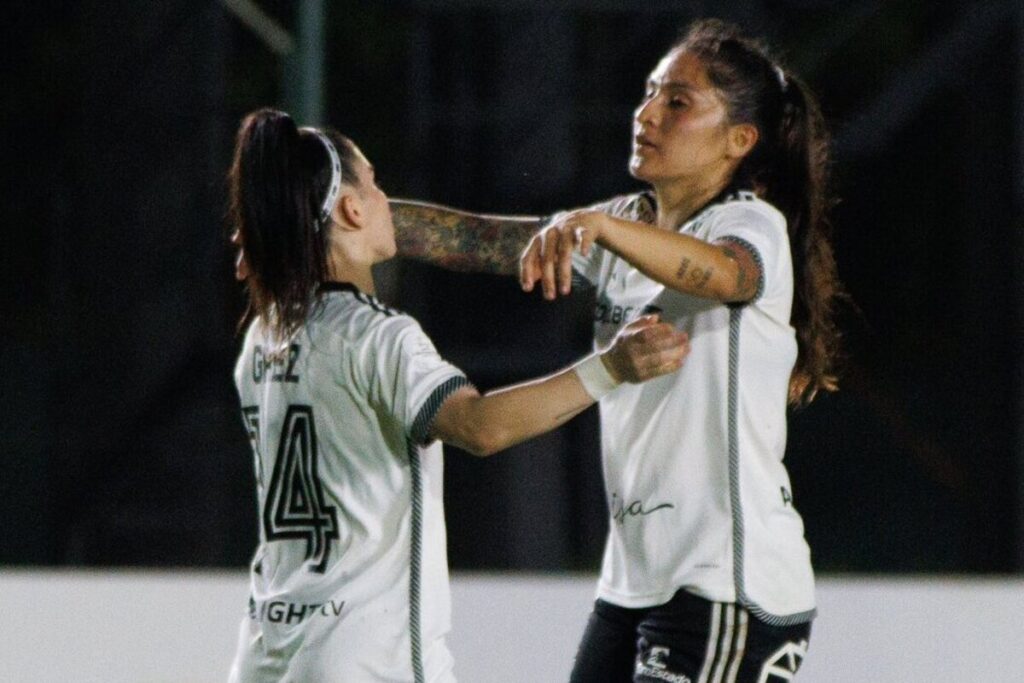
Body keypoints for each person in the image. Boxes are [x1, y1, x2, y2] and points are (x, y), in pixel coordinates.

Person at [390, 18, 843, 682]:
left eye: (678, 101)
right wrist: (353, 211)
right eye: (650, 92)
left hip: (725, 585)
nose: (647, 113)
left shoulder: (750, 225)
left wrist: (597, 226)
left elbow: (726, 273)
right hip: (635, 585)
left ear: (738, 141)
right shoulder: (626, 227)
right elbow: (476, 240)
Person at [224, 108, 689, 683]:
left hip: (267, 648)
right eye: (372, 182)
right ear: (350, 209)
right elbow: (479, 426)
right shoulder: (378, 335)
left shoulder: (265, 337)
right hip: (364, 656)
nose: (383, 195)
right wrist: (610, 368)